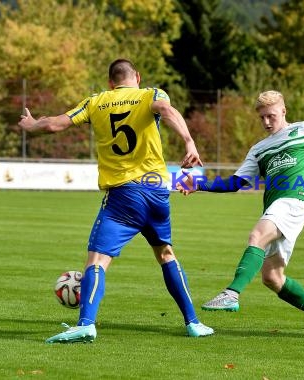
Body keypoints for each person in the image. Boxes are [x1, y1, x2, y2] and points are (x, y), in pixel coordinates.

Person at [18, 58, 214, 343]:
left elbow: (54, 125)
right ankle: (193, 322)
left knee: (97, 259)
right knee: (166, 254)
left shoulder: (95, 102)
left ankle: (86, 323)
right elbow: (166, 110)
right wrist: (188, 141)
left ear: (110, 82)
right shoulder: (151, 94)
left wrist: (33, 124)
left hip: (124, 194)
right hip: (157, 192)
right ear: (137, 76)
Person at [179, 90, 304, 329]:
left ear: (283, 111)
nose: (266, 122)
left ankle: (231, 294)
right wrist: (199, 184)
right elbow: (235, 183)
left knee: (256, 236)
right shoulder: (258, 149)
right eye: (262, 117)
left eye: (271, 116)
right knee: (272, 277)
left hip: (295, 200)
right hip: (276, 206)